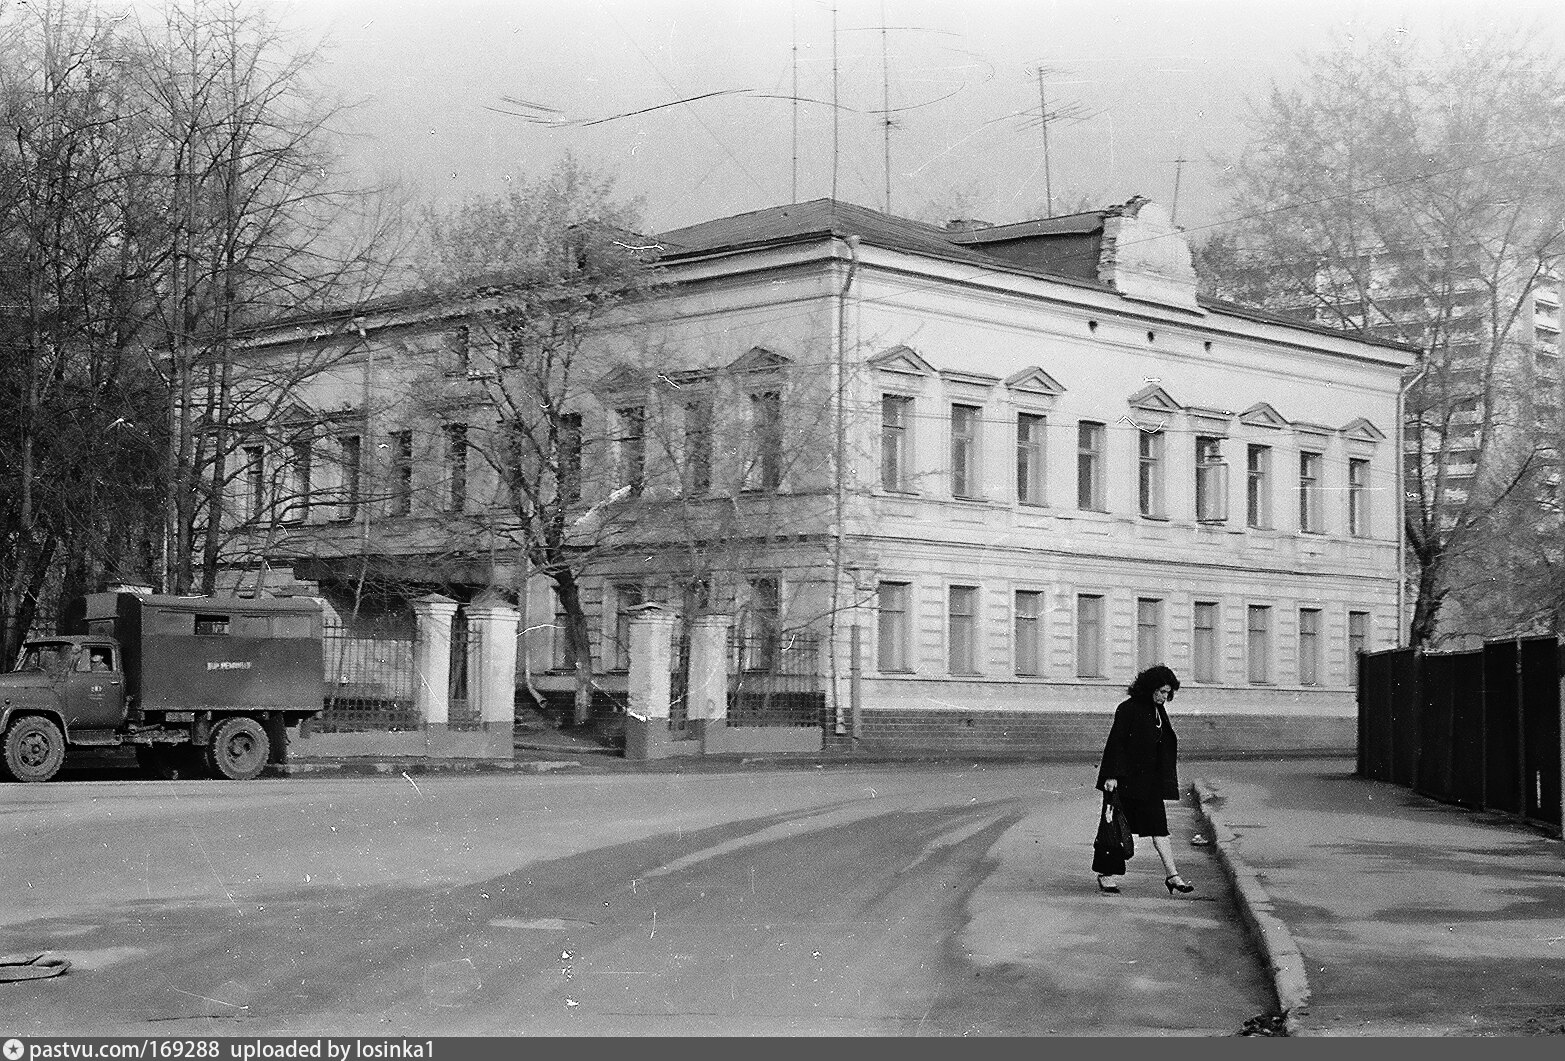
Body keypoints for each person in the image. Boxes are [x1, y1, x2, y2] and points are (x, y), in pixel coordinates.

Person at [1095, 664, 1195, 895]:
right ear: (1149, 688)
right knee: (1117, 830)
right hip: (1126, 783)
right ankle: (1106, 875)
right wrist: (1111, 775)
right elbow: (1116, 743)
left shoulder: (1158, 711)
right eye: (1161, 691)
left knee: (1160, 829)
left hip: (1150, 784)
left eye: (1168, 693)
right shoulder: (1128, 709)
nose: (1165, 697)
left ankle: (1173, 876)